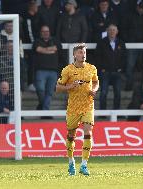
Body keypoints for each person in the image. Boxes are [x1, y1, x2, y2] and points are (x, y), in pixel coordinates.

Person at [56, 44, 99, 176]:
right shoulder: (67, 70)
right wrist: (70, 86)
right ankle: (71, 161)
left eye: (84, 52)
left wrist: (94, 90)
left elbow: (96, 82)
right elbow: (58, 88)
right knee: (71, 136)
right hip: (73, 108)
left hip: (88, 106)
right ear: (75, 54)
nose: (83, 54)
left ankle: (84, 164)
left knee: (88, 132)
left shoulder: (92, 68)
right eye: (80, 52)